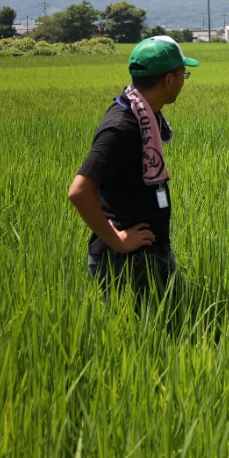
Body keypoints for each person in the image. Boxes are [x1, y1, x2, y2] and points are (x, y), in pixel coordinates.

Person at [67, 35, 199, 295]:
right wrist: (119, 242)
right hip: (127, 264)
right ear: (169, 80)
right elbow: (79, 191)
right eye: (183, 72)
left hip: (147, 255)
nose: (184, 79)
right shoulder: (122, 127)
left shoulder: (140, 114)